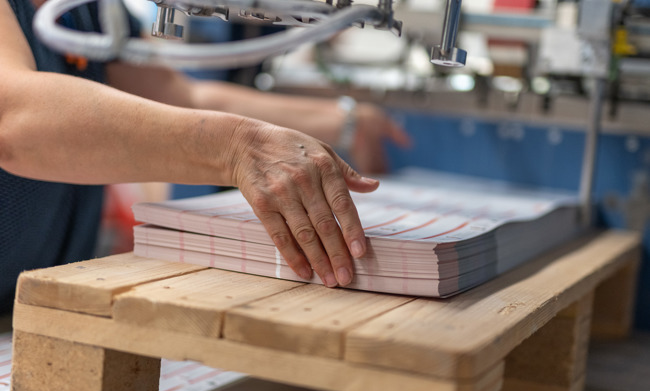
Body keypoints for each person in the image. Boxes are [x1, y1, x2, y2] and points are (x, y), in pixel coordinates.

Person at [0, 0, 410, 312]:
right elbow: (13, 118)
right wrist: (235, 148)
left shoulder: (88, 10)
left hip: (35, 311)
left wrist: (347, 122)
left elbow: (181, 96)